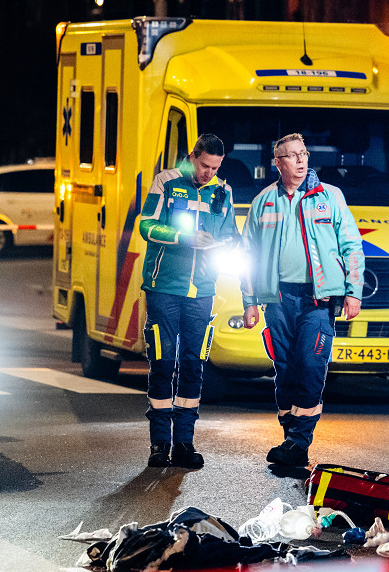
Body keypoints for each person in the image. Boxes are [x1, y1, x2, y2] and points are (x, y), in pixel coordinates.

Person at [240, 133, 364, 467]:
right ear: (277, 163)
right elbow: (248, 254)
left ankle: (297, 442)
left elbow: (352, 246)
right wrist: (249, 300)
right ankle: (291, 439)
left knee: (311, 365)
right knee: (285, 370)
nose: (300, 160)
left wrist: (354, 291)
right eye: (292, 156)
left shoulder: (330, 197)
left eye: (303, 153)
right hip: (278, 298)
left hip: (318, 300)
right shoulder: (263, 201)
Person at [138, 134, 237, 469]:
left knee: (194, 366)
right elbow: (146, 226)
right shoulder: (166, 182)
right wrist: (184, 238)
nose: (209, 173)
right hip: (163, 287)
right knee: (163, 363)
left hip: (202, 291)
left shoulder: (223, 192)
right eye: (205, 165)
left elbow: (230, 236)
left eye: (215, 167)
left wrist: (223, 245)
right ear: (193, 157)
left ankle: (184, 443)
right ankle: (158, 445)